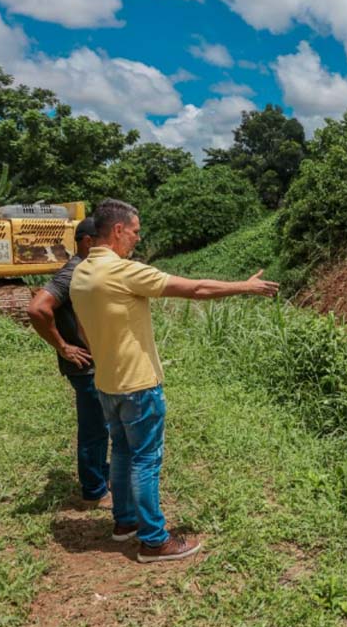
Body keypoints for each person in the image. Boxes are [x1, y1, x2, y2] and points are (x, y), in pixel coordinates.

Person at [70, 199, 279, 563]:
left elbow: (85, 330)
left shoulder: (81, 273)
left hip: (106, 383)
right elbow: (195, 289)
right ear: (117, 230)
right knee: (146, 459)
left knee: (120, 452)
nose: (137, 238)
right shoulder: (123, 271)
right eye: (135, 231)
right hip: (138, 384)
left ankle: (125, 523)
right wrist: (245, 287)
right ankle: (154, 540)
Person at [27, 217, 112, 508]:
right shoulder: (73, 272)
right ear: (88, 242)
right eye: (104, 242)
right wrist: (64, 347)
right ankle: (94, 489)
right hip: (84, 365)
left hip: (94, 363)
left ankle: (101, 472)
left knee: (101, 425)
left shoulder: (84, 269)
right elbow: (37, 309)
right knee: (94, 427)